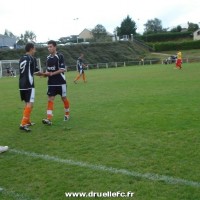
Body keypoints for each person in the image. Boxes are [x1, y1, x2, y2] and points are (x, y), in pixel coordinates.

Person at [42, 40, 70, 125]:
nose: (49, 48)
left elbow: (62, 69)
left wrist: (51, 74)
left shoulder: (60, 56)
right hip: (51, 82)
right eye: (48, 47)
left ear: (55, 47)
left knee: (64, 98)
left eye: (50, 46)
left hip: (61, 82)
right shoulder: (48, 58)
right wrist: (44, 74)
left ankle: (67, 114)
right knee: (50, 99)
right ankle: (49, 119)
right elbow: (48, 70)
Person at [19, 43, 44, 132]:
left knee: (27, 103)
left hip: (21, 84)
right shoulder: (31, 59)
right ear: (31, 49)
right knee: (30, 104)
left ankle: (27, 121)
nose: (35, 51)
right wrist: (44, 74)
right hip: (29, 84)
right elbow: (36, 72)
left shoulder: (22, 58)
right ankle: (23, 124)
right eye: (34, 49)